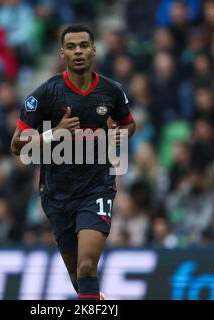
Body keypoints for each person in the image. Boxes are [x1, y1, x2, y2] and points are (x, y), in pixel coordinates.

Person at [10, 24, 136, 300]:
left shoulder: (111, 91)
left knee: (87, 265)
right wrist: (54, 134)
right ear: (62, 53)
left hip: (96, 187)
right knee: (78, 277)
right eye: (71, 47)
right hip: (57, 192)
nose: (78, 51)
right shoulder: (46, 94)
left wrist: (118, 135)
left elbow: (130, 125)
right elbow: (16, 145)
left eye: (83, 45)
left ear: (93, 50)